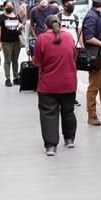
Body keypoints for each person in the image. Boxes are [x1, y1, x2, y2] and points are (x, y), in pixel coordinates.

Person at [33, 15, 78, 156]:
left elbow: (37, 61)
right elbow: (74, 56)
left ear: (46, 26)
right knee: (68, 111)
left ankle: (51, 146)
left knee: (48, 113)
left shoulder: (42, 38)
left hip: (48, 84)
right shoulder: (69, 36)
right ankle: (69, 139)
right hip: (69, 82)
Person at [0, 1, 23, 87]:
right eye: (7, 6)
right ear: (4, 7)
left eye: (11, 6)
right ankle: (7, 78)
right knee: (7, 60)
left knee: (15, 60)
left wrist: (21, 26)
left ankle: (15, 78)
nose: (9, 7)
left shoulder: (17, 16)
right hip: (6, 41)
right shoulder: (1, 17)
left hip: (16, 41)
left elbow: (20, 25)